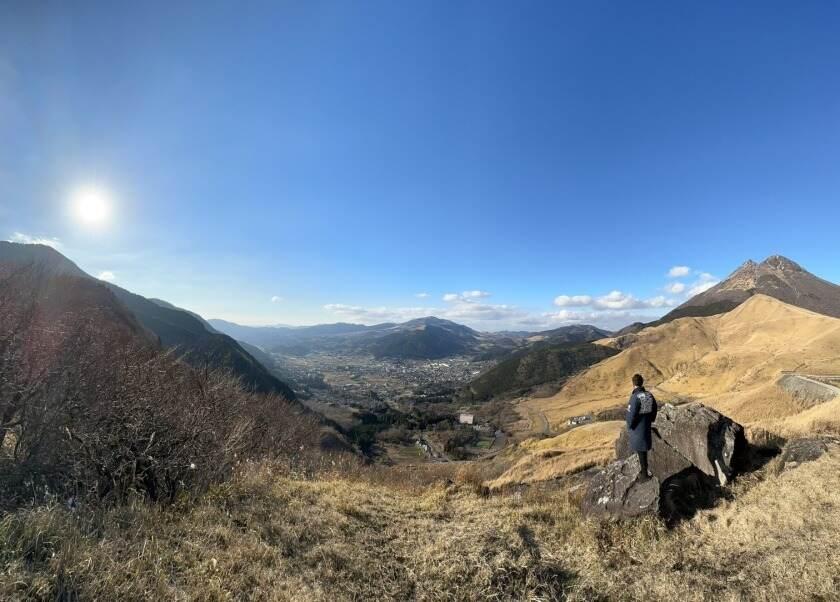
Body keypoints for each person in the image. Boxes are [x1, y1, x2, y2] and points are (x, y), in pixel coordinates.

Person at [626, 373, 657, 481]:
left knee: (640, 451)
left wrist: (630, 425)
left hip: (637, 429)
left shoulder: (635, 397)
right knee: (643, 450)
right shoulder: (648, 395)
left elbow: (631, 414)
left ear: (633, 384)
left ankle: (644, 475)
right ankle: (644, 471)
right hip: (646, 426)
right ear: (642, 382)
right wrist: (651, 419)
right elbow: (654, 408)